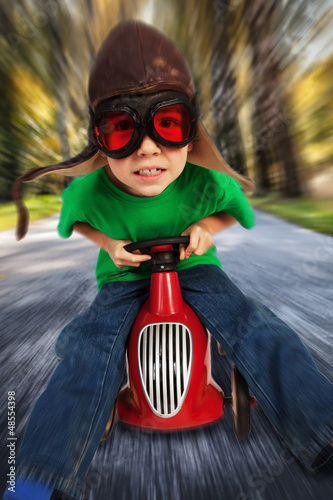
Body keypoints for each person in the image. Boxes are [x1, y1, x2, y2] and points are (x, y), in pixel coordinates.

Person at [5, 20, 332, 500]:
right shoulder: (86, 190)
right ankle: (41, 473)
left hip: (195, 270)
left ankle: (321, 426)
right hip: (124, 275)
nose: (147, 148)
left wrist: (206, 228)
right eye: (121, 129)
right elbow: (73, 222)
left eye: (167, 124)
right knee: (86, 348)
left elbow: (235, 211)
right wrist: (108, 244)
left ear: (189, 131)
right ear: (100, 140)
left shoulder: (203, 179)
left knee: (253, 325)